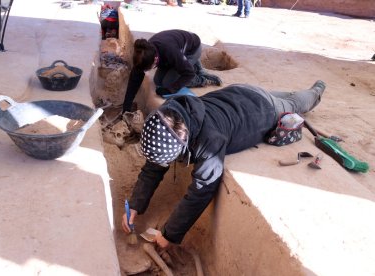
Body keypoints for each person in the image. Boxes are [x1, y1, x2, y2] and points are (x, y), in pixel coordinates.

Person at [121, 80, 326, 248]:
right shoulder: (169, 118)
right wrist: (135, 206)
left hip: (262, 109)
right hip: (240, 92)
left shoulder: (211, 140)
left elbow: (201, 190)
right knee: (285, 95)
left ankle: (317, 90)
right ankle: (295, 94)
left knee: (296, 104)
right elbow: (154, 165)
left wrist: (169, 234)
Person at [122, 29, 222, 113]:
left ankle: (202, 79)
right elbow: (134, 81)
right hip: (174, 53)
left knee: (168, 82)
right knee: (158, 81)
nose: (145, 71)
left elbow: (188, 74)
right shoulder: (144, 54)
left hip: (192, 50)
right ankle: (190, 64)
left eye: (147, 68)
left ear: (155, 60)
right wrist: (126, 108)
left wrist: (171, 89)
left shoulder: (170, 51)